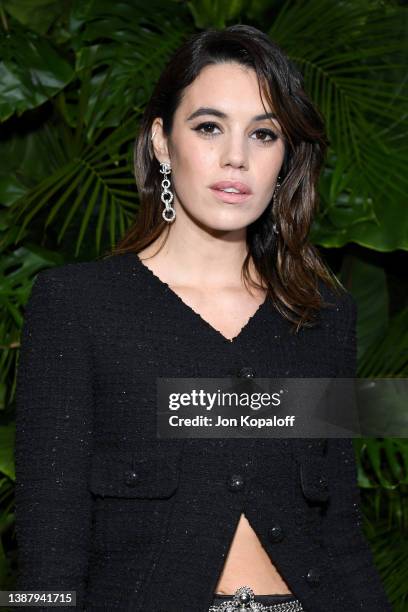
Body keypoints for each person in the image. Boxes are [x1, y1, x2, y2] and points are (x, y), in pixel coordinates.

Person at [14, 25, 392, 612]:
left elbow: (340, 529)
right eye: (209, 126)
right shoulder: (77, 306)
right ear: (162, 142)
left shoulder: (322, 316)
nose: (236, 157)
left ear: (285, 157)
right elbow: (49, 544)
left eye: (263, 134)